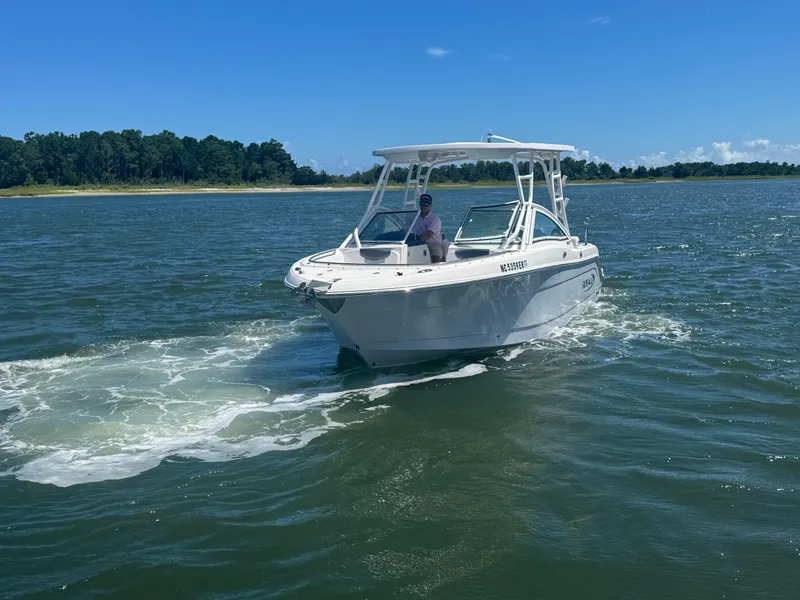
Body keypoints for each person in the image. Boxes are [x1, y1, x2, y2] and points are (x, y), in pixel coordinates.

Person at [413, 193, 447, 262]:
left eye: (426, 204)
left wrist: (413, 240)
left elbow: (427, 236)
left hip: (433, 243)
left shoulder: (434, 219)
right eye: (422, 203)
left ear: (431, 205)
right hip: (418, 243)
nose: (424, 206)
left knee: (435, 259)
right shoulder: (414, 217)